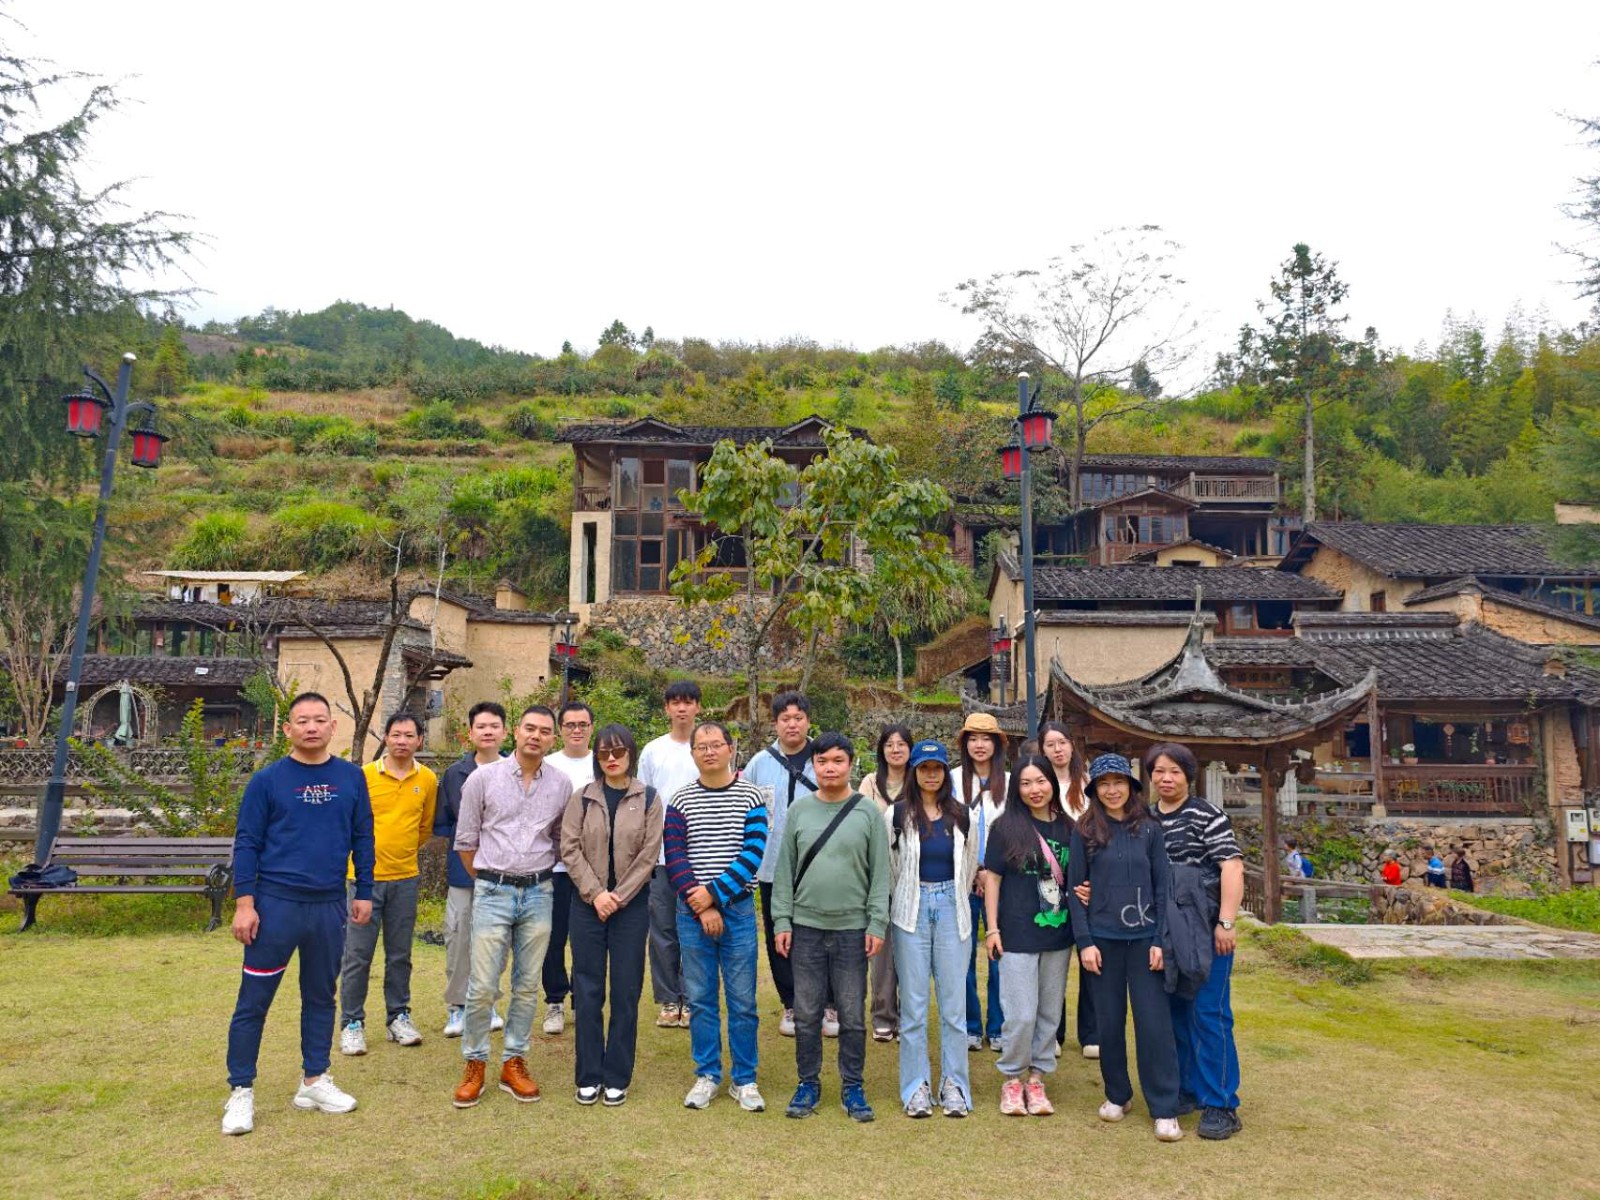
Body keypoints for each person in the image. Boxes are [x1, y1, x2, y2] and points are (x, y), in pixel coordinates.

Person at [222, 692, 374, 1136]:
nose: (311, 727)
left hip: (329, 904)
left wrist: (364, 891)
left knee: (321, 996)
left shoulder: (351, 778)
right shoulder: (267, 781)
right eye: (302, 720)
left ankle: (314, 1080)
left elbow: (363, 835)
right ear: (287, 729)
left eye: (319, 720)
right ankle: (241, 1090)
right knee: (254, 1000)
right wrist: (245, 903)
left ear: (333, 727)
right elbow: (247, 843)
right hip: (276, 905)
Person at [451, 705, 573, 1109]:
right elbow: (466, 841)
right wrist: (490, 879)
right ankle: (475, 1062)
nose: (536, 736)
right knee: (483, 984)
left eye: (544, 731)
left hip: (539, 892)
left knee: (527, 984)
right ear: (516, 732)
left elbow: (560, 839)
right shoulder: (482, 779)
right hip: (493, 890)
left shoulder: (561, 784)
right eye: (529, 728)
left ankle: (513, 1061)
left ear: (553, 739)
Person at [772, 731, 891, 1122]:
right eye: (822, 761)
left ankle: (853, 1086)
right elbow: (785, 870)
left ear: (851, 764)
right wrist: (782, 919)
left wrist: (876, 922)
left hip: (853, 929)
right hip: (805, 927)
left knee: (852, 1014)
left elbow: (880, 875)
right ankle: (808, 1083)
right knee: (806, 1013)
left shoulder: (867, 813)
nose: (829, 768)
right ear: (813, 765)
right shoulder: (799, 811)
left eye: (838, 761)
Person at [1068, 752, 1182, 1143]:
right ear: (1094, 791)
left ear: (1131, 787)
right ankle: (1118, 1094)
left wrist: (1160, 940)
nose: (1112, 790)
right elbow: (1075, 890)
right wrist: (1085, 942)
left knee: (1154, 1024)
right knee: (1109, 1023)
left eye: (1118, 782)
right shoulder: (1085, 831)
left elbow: (1163, 887)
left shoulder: (1149, 829)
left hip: (1145, 940)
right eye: (1104, 784)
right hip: (1102, 941)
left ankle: (1164, 1106)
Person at [665, 721, 770, 1112]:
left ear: (730, 749)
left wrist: (714, 895)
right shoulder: (680, 800)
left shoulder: (751, 796)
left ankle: (744, 1078)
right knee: (701, 998)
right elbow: (675, 855)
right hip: (692, 913)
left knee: (742, 1000)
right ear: (692, 753)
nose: (709, 751)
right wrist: (703, 904)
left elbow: (753, 853)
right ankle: (707, 1074)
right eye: (701, 746)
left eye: (716, 744)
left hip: (738, 911)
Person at [1145, 742, 1244, 1141]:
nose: (1166, 778)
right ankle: (1185, 1087)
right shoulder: (1147, 818)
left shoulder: (1208, 815)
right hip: (1164, 930)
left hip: (1205, 927)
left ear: (1189, 775)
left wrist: (1226, 922)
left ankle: (1221, 1103)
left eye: (1175, 771)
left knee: (1209, 1012)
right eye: (1159, 771)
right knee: (1175, 1011)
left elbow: (1231, 867)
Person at [560, 723, 663, 1106]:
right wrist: (596, 894)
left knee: (626, 989)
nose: (612, 758)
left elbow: (649, 855)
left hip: (630, 907)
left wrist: (617, 897)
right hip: (587, 906)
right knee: (587, 990)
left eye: (619, 751)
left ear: (631, 753)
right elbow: (569, 848)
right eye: (604, 752)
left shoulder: (649, 798)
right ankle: (588, 1074)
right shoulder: (583, 798)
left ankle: (617, 1075)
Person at [888, 739, 977, 1118]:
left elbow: (969, 867)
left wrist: (948, 897)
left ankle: (954, 1085)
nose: (930, 775)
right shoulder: (897, 814)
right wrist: (911, 895)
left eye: (937, 768)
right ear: (914, 772)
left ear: (944, 772)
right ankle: (916, 1086)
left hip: (953, 908)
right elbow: (891, 867)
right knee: (913, 1007)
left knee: (954, 1008)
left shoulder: (962, 814)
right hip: (910, 910)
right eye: (923, 768)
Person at [339, 711, 437, 1056]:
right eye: (396, 734)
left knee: (400, 954)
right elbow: (349, 823)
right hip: (363, 881)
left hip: (405, 878)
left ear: (419, 740)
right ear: (385, 737)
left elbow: (424, 828)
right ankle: (352, 1023)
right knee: (357, 955)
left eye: (409, 735)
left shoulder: (427, 779)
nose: (402, 741)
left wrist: (402, 853)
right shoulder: (364, 776)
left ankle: (398, 1017)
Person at [984, 754, 1074, 1117]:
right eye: (1025, 783)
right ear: (1016, 789)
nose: (1034, 789)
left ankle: (1037, 1079)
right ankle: (1012, 1078)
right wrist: (992, 928)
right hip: (1015, 933)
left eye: (1040, 781)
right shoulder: (1005, 827)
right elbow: (992, 879)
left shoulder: (1069, 828)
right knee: (1020, 1013)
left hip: (1058, 935)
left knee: (1049, 1012)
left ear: (1052, 782)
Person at [744, 691, 825, 1040]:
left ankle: (828, 1002)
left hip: (818, 867)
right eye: (785, 718)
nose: (792, 724)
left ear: (808, 721)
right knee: (779, 936)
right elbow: (745, 808)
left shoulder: (823, 758)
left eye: (798, 717)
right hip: (771, 865)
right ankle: (791, 1003)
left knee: (821, 935)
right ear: (775, 723)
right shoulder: (759, 763)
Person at [435, 702, 508, 1038]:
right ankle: (457, 1006)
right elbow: (445, 823)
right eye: (481, 726)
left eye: (494, 726)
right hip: (463, 874)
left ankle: (486, 1002)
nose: (488, 732)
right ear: (470, 733)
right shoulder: (455, 774)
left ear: (505, 732)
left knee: (496, 941)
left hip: (504, 873)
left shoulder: (515, 770)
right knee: (459, 938)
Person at [638, 680, 703, 1030]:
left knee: (695, 930)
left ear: (697, 707)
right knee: (662, 929)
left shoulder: (707, 747)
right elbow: (643, 802)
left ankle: (692, 998)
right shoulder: (653, 751)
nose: (681, 708)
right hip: (661, 856)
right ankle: (668, 998)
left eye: (688, 702)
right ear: (666, 708)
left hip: (701, 856)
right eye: (675, 702)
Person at [950, 712, 1008, 1051]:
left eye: (987, 738)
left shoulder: (1011, 783)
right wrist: (973, 870)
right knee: (963, 956)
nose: (980, 744)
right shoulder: (952, 780)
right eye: (973, 738)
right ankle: (970, 1025)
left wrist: (992, 872)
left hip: (1003, 880)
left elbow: (1016, 832)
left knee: (1001, 954)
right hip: (962, 878)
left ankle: (999, 1026)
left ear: (997, 744)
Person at [1039, 720, 1096, 1060]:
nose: (1057, 749)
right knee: (1054, 960)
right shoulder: (1039, 784)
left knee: (1091, 956)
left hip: (1087, 880)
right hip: (1051, 879)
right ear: (1042, 750)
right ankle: (1053, 1032)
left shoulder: (1088, 784)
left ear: (1072, 745)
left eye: (1062, 742)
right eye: (1050, 744)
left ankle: (1092, 1032)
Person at [542, 700, 597, 1036]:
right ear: (560, 730)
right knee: (552, 937)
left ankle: (584, 999)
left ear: (591, 727)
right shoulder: (548, 764)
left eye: (582, 724)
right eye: (570, 725)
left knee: (586, 938)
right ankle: (554, 1001)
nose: (576, 730)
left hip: (593, 868)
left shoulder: (601, 762)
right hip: (554, 867)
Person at [859, 723, 912, 1042]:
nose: (895, 749)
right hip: (877, 873)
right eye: (889, 744)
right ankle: (882, 1015)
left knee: (912, 950)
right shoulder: (870, 783)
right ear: (881, 749)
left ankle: (909, 1016)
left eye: (901, 744)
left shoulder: (918, 782)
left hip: (912, 874)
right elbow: (862, 824)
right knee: (880, 948)